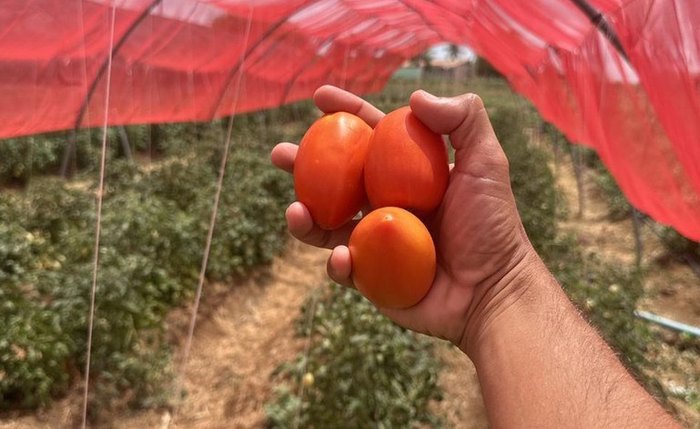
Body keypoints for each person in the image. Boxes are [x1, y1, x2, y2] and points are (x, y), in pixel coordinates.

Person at [270, 85, 679, 428]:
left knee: (337, 223)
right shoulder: (390, 212)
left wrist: (497, 287)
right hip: (401, 249)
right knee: (336, 221)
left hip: (404, 249)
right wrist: (496, 294)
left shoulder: (394, 207)